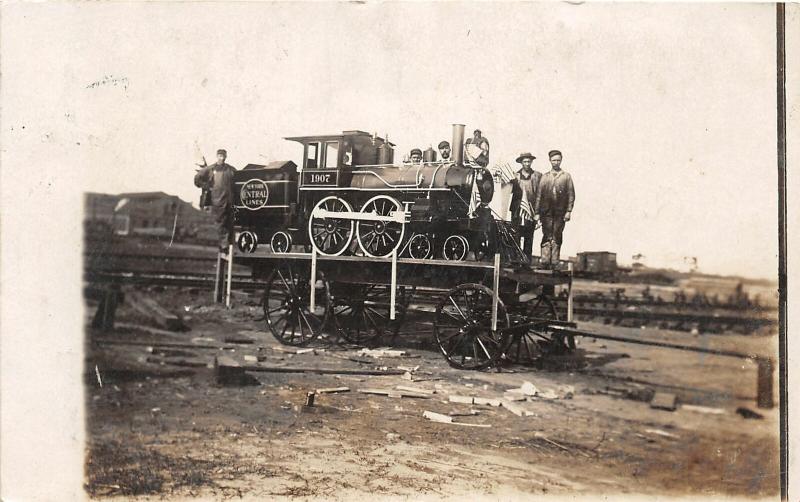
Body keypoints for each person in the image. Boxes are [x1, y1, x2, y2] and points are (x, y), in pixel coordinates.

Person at [534, 150, 575, 268]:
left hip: (560, 212)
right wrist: (537, 213)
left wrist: (568, 211)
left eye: (558, 160)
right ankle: (545, 261)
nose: (556, 162)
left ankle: (554, 262)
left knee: (557, 235)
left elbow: (571, 195)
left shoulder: (566, 176)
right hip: (546, 212)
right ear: (549, 161)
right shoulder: (545, 177)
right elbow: (539, 195)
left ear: (561, 160)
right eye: (553, 160)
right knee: (546, 235)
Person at [194, 149, 237, 252]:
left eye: (223, 156)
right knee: (221, 224)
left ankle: (229, 247)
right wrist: (207, 186)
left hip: (230, 201)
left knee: (230, 224)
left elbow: (237, 179)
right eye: (220, 156)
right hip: (217, 201)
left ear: (226, 157)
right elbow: (197, 179)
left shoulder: (231, 170)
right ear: (217, 156)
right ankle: (223, 247)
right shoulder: (210, 169)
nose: (221, 158)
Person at [509, 152, 542, 261]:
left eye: (529, 161)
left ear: (531, 162)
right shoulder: (514, 175)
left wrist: (538, 212)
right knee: (516, 235)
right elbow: (508, 190)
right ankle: (515, 260)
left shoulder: (537, 176)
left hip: (530, 210)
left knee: (529, 236)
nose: (527, 164)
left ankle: (527, 261)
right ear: (521, 163)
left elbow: (539, 194)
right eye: (524, 161)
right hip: (517, 210)